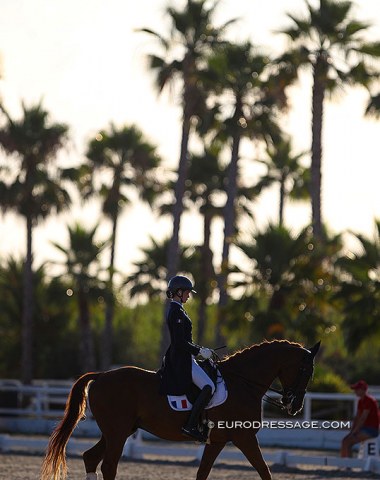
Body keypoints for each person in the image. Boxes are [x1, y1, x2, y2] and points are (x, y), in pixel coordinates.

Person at [159, 275, 216, 442]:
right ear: (178, 292)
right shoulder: (175, 311)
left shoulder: (179, 309)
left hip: (186, 357)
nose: (189, 295)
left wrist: (201, 350)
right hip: (181, 360)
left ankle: (200, 422)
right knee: (209, 386)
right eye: (187, 292)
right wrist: (198, 350)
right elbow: (179, 342)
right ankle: (190, 425)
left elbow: (185, 340)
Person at [340, 380, 379, 457]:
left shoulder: (369, 400)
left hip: (371, 430)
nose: (355, 391)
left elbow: (362, 418)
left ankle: (345, 464)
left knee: (347, 441)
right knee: (345, 441)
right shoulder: (360, 401)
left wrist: (354, 432)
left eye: (357, 389)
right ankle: (346, 464)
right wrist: (352, 431)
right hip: (364, 429)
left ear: (363, 390)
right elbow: (357, 417)